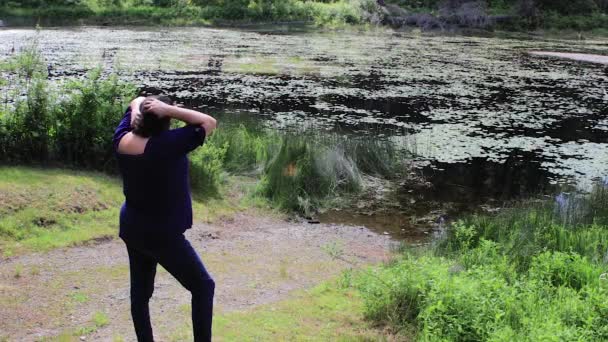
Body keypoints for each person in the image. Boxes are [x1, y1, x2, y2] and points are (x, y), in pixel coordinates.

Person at [113, 95, 217, 342]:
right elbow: (209, 122)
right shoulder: (166, 144)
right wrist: (170, 108)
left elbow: (135, 100)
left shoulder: (122, 139)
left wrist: (140, 107)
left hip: (133, 227)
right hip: (161, 234)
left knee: (141, 294)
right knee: (203, 286)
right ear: (165, 121)